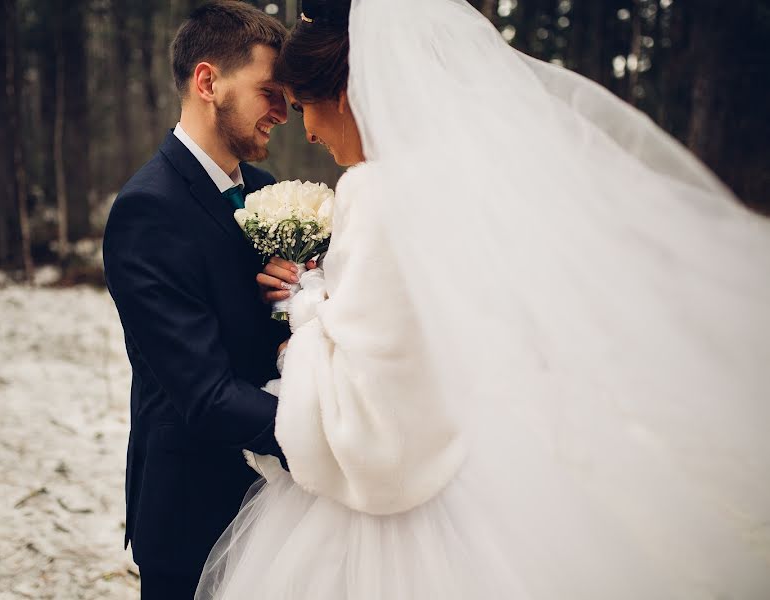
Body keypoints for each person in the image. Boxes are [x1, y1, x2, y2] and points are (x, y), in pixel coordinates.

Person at [196, 0, 770, 598]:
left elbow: (374, 394)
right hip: (473, 472)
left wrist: (304, 327)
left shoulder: (375, 192)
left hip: (388, 516)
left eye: (308, 107)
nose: (307, 131)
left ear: (343, 94)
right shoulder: (454, 184)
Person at [101, 2, 293, 598]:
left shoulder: (269, 195)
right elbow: (204, 395)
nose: (283, 114)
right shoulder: (147, 210)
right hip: (193, 517)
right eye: (270, 92)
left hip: (280, 513)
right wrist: (332, 435)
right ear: (209, 82)